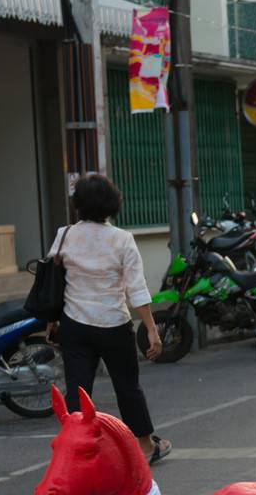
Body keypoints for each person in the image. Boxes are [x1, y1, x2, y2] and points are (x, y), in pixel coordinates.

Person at [54, 173, 171, 463]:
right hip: (113, 325)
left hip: (74, 322)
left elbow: (56, 280)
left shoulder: (64, 234)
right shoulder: (122, 240)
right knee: (127, 386)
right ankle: (144, 446)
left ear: (78, 204)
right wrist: (151, 329)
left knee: (79, 391)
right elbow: (136, 288)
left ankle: (75, 451)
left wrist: (50, 322)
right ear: (112, 204)